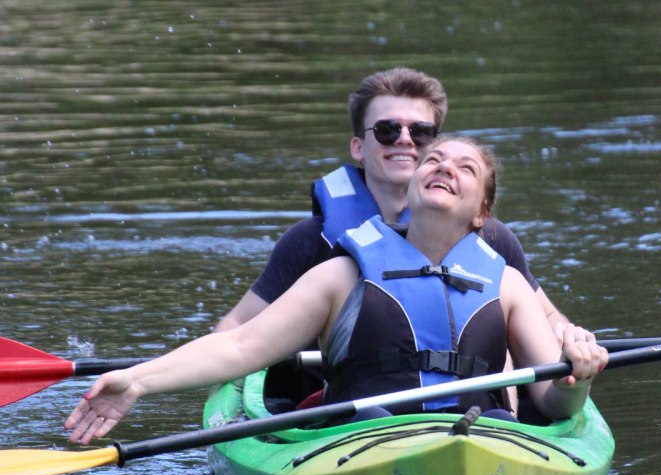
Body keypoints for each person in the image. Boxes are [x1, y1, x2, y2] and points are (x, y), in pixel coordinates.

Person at [65, 137, 608, 445]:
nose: (444, 167)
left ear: (481, 214)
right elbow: (238, 349)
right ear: (410, 190)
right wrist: (137, 381)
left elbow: (551, 401)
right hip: (361, 443)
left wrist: (578, 378)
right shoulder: (341, 275)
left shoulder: (507, 285)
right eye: (433, 161)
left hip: (489, 443)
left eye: (464, 168)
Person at [215, 67, 590, 354]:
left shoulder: (487, 238)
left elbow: (549, 318)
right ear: (359, 147)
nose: (405, 140)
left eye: (422, 132)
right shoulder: (310, 242)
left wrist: (568, 337)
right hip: (334, 413)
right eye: (387, 130)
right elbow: (235, 327)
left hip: (470, 408)